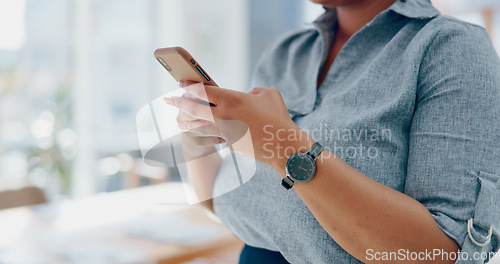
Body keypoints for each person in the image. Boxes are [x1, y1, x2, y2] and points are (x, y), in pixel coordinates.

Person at [164, 0, 500, 263]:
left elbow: (441, 255)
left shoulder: (450, 48)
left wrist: (280, 145)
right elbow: (224, 201)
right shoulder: (287, 52)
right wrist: (198, 135)